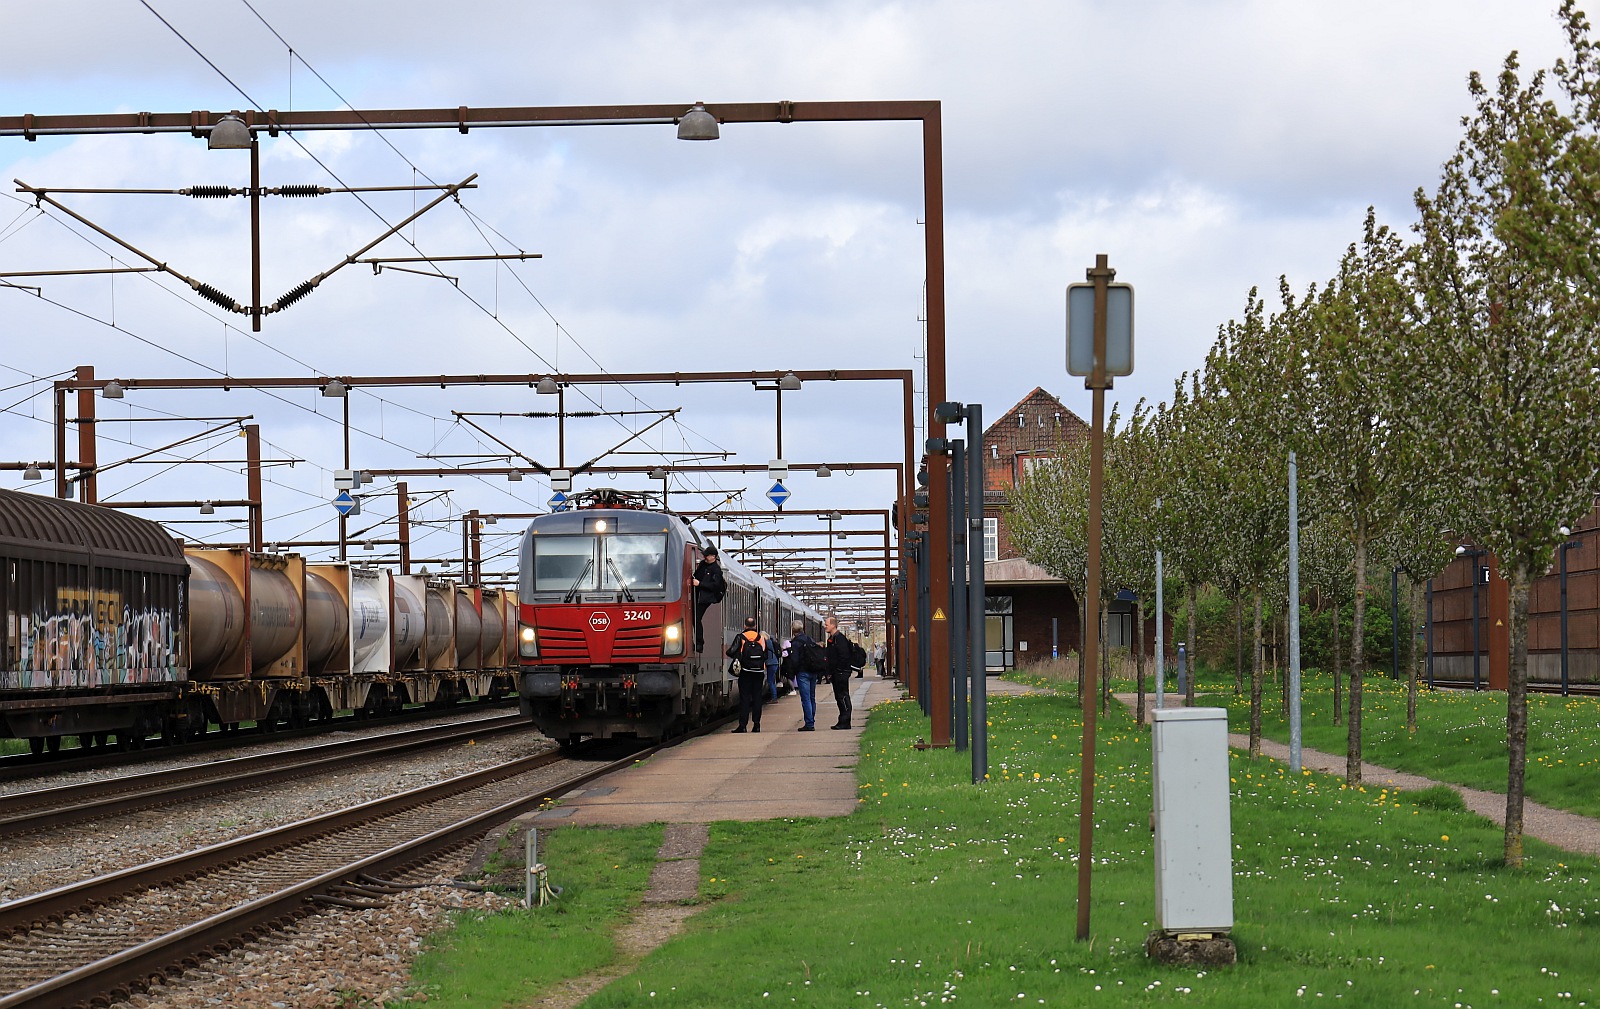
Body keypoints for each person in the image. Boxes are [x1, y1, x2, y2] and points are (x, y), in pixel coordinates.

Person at [725, 616, 767, 733]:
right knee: (757, 698)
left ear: (744, 626)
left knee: (745, 698)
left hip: (745, 672)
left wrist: (739, 656)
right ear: (755, 627)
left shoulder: (741, 637)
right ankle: (757, 725)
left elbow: (730, 652)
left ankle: (742, 726)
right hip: (759, 672)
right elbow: (766, 655)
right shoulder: (761, 638)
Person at [784, 619, 820, 731]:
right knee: (812, 697)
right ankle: (811, 720)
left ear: (792, 630)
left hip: (802, 672)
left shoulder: (795, 643)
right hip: (813, 671)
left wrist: (792, 673)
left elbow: (794, 660)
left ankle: (809, 723)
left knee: (806, 699)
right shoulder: (810, 640)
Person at [691, 546, 725, 653]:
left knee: (696, 618)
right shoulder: (702, 565)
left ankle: (699, 643)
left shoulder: (716, 570)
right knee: (693, 618)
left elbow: (715, 585)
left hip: (705, 598)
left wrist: (700, 584)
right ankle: (695, 641)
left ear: (713, 557)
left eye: (707, 555)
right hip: (697, 595)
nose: (705, 557)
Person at [823, 615, 854, 730]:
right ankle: (842, 720)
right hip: (837, 673)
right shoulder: (832, 639)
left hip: (841, 673)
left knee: (843, 696)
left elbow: (843, 656)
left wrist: (839, 670)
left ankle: (845, 721)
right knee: (839, 697)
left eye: (826, 624)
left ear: (833, 625)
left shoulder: (839, 639)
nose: (825, 626)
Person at [764, 631, 782, 701]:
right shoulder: (771, 642)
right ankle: (774, 696)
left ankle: (774, 698)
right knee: (772, 680)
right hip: (774, 663)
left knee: (770, 681)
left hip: (771, 663)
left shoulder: (767, 643)